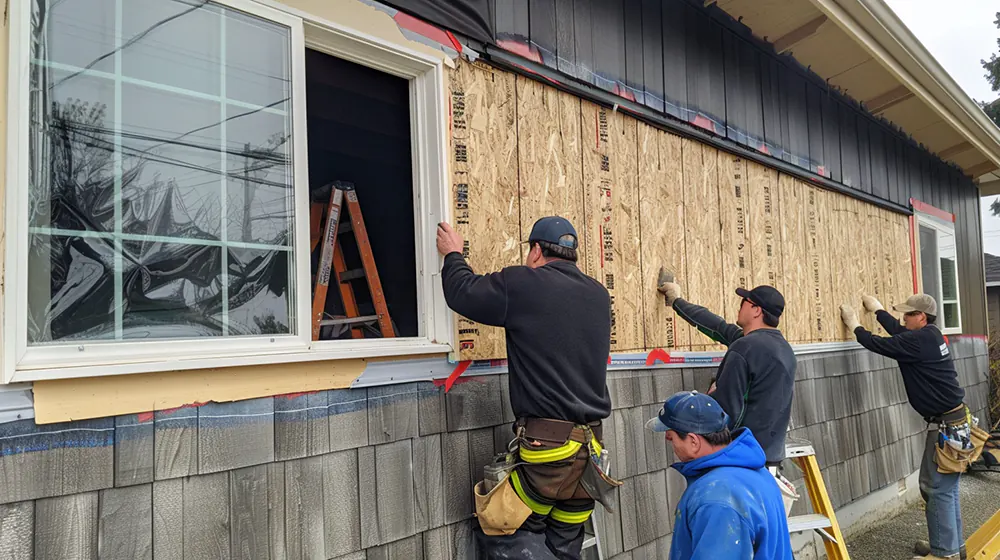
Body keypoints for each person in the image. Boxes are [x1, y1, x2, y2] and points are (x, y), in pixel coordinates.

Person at [437, 216, 612, 560]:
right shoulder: (597, 294)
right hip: (589, 454)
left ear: (535, 251)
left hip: (548, 451)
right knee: (565, 544)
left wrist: (453, 255)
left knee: (505, 530)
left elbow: (463, 292)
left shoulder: (525, 284)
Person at [841, 293, 977, 560]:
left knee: (937, 487)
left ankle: (944, 553)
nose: (904, 319)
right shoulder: (930, 336)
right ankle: (950, 545)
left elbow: (880, 343)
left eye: (908, 314)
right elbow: (899, 332)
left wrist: (855, 325)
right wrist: (879, 311)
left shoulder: (920, 340)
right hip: (953, 422)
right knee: (943, 487)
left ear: (922, 317)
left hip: (946, 427)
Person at [656, 279, 796, 468]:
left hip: (742, 458)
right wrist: (677, 301)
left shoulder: (745, 348)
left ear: (756, 310)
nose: (739, 307)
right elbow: (718, 327)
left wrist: (713, 395)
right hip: (768, 455)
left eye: (743, 302)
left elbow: (727, 411)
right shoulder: (782, 348)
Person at [647, 390, 793, 560]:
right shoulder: (756, 473)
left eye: (671, 438)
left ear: (693, 441)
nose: (669, 443)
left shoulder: (716, 497)